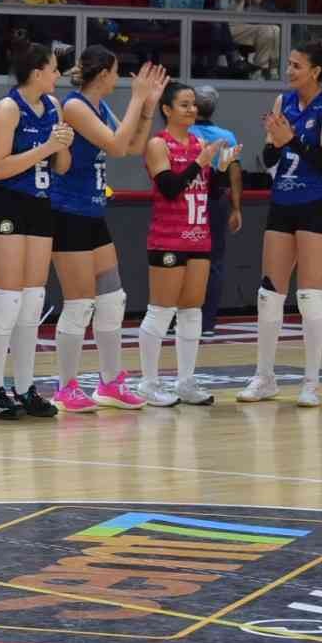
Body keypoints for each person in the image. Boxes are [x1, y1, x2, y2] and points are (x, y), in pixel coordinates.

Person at [48, 48, 165, 413]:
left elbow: (131, 146)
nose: (119, 78)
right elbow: (115, 145)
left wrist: (146, 108)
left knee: (112, 300)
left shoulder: (100, 108)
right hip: (68, 213)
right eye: (116, 71)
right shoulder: (75, 106)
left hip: (93, 212)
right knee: (79, 304)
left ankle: (111, 382)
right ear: (102, 74)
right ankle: (65, 387)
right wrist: (137, 99)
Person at [238, 40, 322, 408]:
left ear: (315, 71)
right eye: (288, 64)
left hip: (317, 205)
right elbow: (269, 157)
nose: (289, 71)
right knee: (269, 293)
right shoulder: (282, 102)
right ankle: (264, 377)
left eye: (297, 65)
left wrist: (292, 140)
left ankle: (311, 383)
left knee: (309, 295)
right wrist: (276, 142)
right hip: (282, 203)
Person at [0, 44, 74, 421]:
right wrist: (47, 146)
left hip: (39, 202)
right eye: (54, 69)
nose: (58, 75)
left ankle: (24, 387)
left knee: (33, 301)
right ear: (36, 72)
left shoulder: (54, 107)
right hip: (5, 203)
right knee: (7, 301)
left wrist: (62, 147)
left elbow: (62, 166)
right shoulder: (8, 108)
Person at [140, 81, 229, 407]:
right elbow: (169, 188)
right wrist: (200, 162)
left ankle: (186, 381)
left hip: (199, 237)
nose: (192, 109)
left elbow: (211, 191)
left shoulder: (198, 143)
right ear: (167, 109)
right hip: (168, 238)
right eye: (185, 104)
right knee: (161, 311)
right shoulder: (157, 144)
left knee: (191, 311)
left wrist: (221, 169)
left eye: (194, 104)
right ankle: (149, 383)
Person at [193, 85, 243, 336]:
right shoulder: (227, 136)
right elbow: (235, 174)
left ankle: (178, 319)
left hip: (190, 200)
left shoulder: (183, 132)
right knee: (214, 262)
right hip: (216, 203)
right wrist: (236, 208)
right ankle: (206, 323)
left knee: (184, 259)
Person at [215, 0, 281, 78]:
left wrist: (256, 3)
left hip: (241, 26)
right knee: (265, 30)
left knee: (275, 29)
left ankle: (273, 68)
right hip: (227, 29)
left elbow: (244, 13)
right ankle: (258, 68)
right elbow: (222, 11)